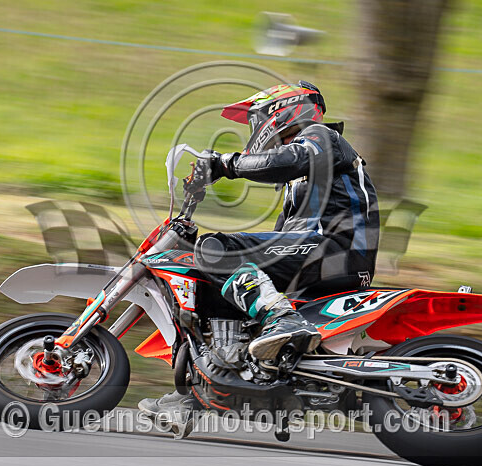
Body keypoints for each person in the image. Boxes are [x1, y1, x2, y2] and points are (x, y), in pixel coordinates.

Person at [138, 81, 380, 418]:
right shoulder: (301, 182)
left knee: (217, 246)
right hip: (316, 252)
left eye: (256, 118)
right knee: (215, 282)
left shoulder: (322, 138)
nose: (254, 128)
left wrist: (225, 164)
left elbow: (289, 159)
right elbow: (278, 239)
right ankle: (212, 387)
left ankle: (283, 320)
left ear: (283, 111)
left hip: (335, 249)